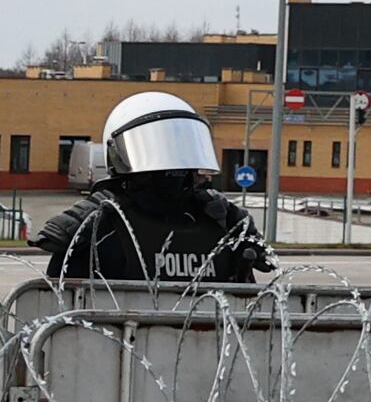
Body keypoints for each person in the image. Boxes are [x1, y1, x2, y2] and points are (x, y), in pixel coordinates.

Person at [37, 89, 272, 288]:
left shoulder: (223, 220)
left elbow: (248, 308)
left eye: (179, 146)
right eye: (157, 146)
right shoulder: (96, 224)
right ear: (119, 152)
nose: (172, 162)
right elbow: (60, 311)